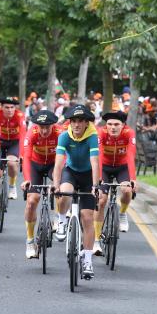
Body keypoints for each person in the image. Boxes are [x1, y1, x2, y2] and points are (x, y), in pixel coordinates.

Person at [52, 104, 100, 279]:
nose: (77, 125)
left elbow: (95, 162)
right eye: (73, 121)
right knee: (65, 192)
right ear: (69, 123)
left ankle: (87, 260)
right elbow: (58, 163)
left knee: (87, 218)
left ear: (87, 123)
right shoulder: (64, 136)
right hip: (70, 172)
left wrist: (95, 186)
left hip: (88, 177)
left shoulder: (92, 137)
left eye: (80, 121)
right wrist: (56, 185)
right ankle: (61, 221)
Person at [94, 111, 136, 255]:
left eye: (116, 124)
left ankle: (123, 213)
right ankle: (96, 240)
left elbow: (130, 155)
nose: (112, 127)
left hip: (122, 167)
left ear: (123, 125)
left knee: (126, 191)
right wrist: (98, 177)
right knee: (101, 201)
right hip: (104, 168)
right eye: (110, 124)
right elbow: (98, 155)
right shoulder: (101, 133)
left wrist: (133, 179)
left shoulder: (129, 133)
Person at [20, 110, 61, 259]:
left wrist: (58, 180)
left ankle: (58, 218)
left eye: (47, 127)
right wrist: (26, 179)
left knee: (61, 188)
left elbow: (65, 157)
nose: (44, 130)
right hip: (35, 165)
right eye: (41, 127)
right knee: (32, 201)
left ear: (53, 125)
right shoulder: (32, 133)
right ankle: (30, 240)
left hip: (53, 165)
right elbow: (26, 157)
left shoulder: (59, 133)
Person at [0, 97, 25, 199]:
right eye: (6, 107)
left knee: (12, 163)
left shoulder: (19, 116)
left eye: (12, 107)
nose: (10, 110)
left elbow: (22, 135)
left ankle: (12, 185)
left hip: (14, 143)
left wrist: (21, 154)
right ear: (1, 107)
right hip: (0, 142)